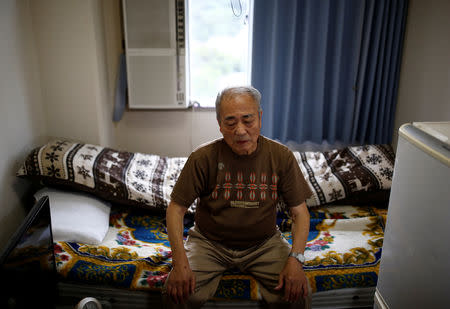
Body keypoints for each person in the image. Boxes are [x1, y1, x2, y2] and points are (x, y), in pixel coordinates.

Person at [164, 86, 313, 308]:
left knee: (298, 292)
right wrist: (179, 262)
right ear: (220, 125)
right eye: (231, 122)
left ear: (260, 118)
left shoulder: (281, 156)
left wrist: (296, 260)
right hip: (208, 243)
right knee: (175, 293)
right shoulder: (202, 158)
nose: (240, 130)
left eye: (248, 120)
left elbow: (300, 213)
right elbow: (175, 210)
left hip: (264, 244)